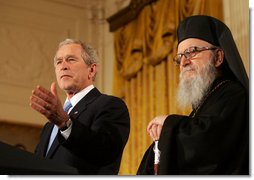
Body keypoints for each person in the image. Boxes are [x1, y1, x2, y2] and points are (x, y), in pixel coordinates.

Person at [137, 15, 249, 175]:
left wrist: (167, 123)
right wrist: (159, 141)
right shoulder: (205, 103)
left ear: (218, 57)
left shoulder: (233, 94)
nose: (183, 62)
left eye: (192, 52)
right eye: (180, 57)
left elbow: (208, 145)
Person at [30, 38, 130, 174]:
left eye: (71, 59)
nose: (63, 66)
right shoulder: (49, 126)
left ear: (92, 70)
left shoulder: (110, 105)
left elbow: (105, 152)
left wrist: (65, 124)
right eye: (59, 62)